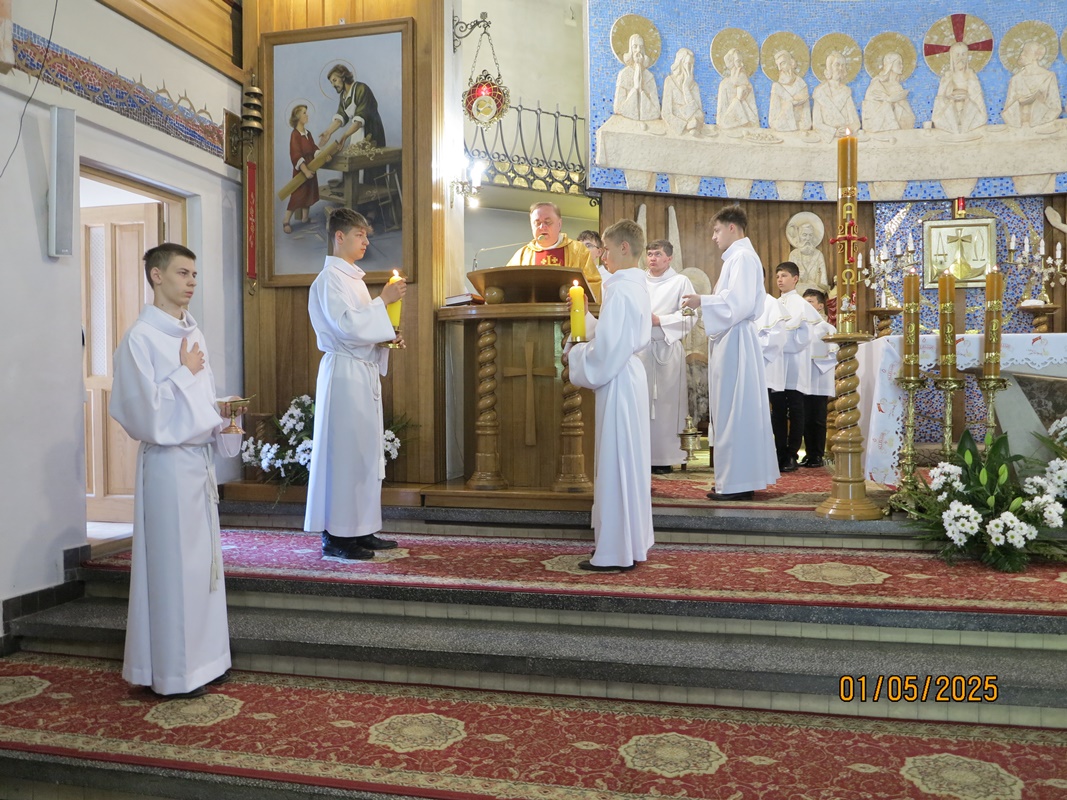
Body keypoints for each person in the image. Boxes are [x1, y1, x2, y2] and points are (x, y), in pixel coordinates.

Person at [109, 243, 243, 699]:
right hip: (167, 467)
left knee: (203, 569)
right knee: (173, 570)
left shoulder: (192, 331)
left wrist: (222, 415)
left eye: (194, 275)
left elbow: (197, 402)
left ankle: (208, 660)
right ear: (156, 275)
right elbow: (140, 413)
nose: (191, 282)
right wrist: (185, 374)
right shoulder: (140, 339)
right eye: (183, 273)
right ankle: (174, 672)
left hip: (196, 464)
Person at [304, 208, 407, 561]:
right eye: (359, 235)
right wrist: (384, 302)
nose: (366, 241)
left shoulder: (355, 280)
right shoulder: (329, 280)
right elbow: (346, 325)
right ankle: (336, 536)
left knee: (363, 454)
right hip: (344, 374)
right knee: (344, 454)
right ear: (339, 236)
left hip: (361, 373)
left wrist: (385, 339)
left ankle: (361, 529)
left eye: (366, 235)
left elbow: (363, 329)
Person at [567, 219, 653, 571]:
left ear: (624, 248)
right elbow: (614, 335)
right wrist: (586, 321)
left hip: (619, 379)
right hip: (629, 376)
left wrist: (576, 354)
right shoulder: (634, 286)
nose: (602, 255)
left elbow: (607, 352)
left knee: (617, 462)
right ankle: (629, 544)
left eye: (606, 248)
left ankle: (614, 552)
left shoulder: (621, 289)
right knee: (626, 461)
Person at [682, 207, 779, 500]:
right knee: (730, 410)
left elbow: (738, 304)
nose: (714, 237)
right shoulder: (737, 258)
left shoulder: (743, 258)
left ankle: (737, 482)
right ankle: (733, 479)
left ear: (732, 228)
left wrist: (702, 300)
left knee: (736, 411)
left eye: (717, 230)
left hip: (736, 339)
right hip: (731, 338)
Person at [639, 239, 695, 473]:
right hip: (641, 351)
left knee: (666, 407)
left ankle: (665, 458)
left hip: (667, 350)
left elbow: (690, 316)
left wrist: (660, 320)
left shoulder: (680, 282)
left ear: (669, 258)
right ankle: (641, 456)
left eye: (658, 254)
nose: (652, 258)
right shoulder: (638, 281)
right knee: (641, 404)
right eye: (650, 254)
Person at [769, 262, 821, 473]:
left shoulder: (802, 305)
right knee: (778, 410)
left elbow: (805, 337)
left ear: (795, 278)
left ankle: (792, 453)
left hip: (794, 364)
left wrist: (782, 343)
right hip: (777, 365)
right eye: (777, 276)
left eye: (784, 275)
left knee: (796, 409)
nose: (780, 280)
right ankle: (779, 451)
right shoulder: (773, 304)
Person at [508, 202, 602, 302]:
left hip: (568, 311)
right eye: (537, 223)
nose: (542, 227)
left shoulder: (578, 250)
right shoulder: (522, 255)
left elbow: (593, 284)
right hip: (532, 311)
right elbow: (508, 286)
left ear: (559, 224)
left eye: (547, 222)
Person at [801, 289, 838, 468]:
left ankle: (817, 454)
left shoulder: (827, 328)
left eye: (810, 302)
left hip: (819, 377)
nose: (806, 305)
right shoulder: (801, 326)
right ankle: (808, 453)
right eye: (804, 302)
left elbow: (833, 352)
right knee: (805, 418)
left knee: (817, 417)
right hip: (804, 378)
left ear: (820, 306)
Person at [318, 64, 387, 149]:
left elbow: (359, 120)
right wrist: (328, 132)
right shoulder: (343, 96)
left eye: (334, 80)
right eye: (331, 82)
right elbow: (340, 118)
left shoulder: (361, 88)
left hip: (371, 134)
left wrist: (345, 136)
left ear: (343, 77)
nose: (333, 85)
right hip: (356, 133)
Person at [1002, 40, 1062, 129]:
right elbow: (1007, 109)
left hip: (1043, 125)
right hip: (1019, 126)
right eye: (1022, 51)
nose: (1021, 54)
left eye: (1026, 52)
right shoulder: (1015, 79)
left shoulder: (1048, 76)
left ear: (1036, 55)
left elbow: (1055, 107)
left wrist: (1040, 106)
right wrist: (1018, 102)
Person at [931, 42, 986, 134]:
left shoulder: (971, 74)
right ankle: (955, 130)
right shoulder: (948, 76)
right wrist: (950, 97)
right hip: (951, 111)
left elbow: (978, 98)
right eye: (957, 55)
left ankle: (964, 130)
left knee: (973, 106)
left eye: (963, 54)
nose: (961, 58)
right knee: (946, 109)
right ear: (952, 57)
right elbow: (940, 98)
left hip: (969, 111)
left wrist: (968, 96)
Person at [283, 104, 320, 235]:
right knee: (298, 194)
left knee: (309, 191)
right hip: (302, 169)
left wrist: (319, 154)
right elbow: (296, 154)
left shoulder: (308, 133)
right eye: (304, 113)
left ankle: (305, 218)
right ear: (298, 117)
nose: (306, 115)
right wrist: (305, 171)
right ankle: (286, 221)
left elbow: (313, 147)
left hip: (311, 166)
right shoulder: (295, 135)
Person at [861, 51, 916, 133]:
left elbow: (910, 118)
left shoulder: (898, 87)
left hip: (899, 133)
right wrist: (889, 101)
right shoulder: (876, 85)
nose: (902, 66)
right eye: (899, 63)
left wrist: (892, 100)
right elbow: (870, 117)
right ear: (890, 65)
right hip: (879, 132)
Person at [811, 50, 860, 140]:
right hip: (827, 137)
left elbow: (855, 122)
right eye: (837, 65)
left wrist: (848, 130)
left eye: (843, 65)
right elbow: (817, 123)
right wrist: (834, 132)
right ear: (829, 67)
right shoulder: (819, 92)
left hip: (845, 138)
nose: (840, 68)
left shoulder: (846, 91)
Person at [614, 33, 660, 122]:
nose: (638, 50)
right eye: (635, 47)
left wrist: (641, 91)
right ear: (630, 49)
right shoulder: (624, 74)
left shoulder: (649, 76)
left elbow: (656, 111)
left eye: (641, 47)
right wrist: (635, 88)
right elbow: (618, 108)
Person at [661, 48, 704, 136]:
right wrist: (684, 125)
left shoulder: (694, 86)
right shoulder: (670, 81)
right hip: (677, 129)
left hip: (693, 130)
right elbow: (666, 113)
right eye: (687, 64)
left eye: (692, 65)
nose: (690, 68)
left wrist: (686, 89)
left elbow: (700, 116)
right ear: (680, 63)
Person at [786, 212, 829, 295]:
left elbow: (824, 283)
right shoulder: (794, 255)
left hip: (815, 295)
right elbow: (790, 281)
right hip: (797, 294)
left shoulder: (818, 255)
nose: (808, 238)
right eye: (804, 235)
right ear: (799, 236)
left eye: (810, 235)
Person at [716, 47, 759, 130]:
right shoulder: (724, 85)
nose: (742, 65)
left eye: (742, 61)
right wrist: (738, 99)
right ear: (731, 63)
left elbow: (755, 122)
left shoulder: (748, 86)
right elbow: (721, 122)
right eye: (738, 61)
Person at [768, 49, 811, 132]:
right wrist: (790, 105)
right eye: (778, 65)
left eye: (782, 63)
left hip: (800, 131)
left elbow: (806, 118)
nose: (780, 68)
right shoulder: (776, 87)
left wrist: (802, 126)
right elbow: (772, 120)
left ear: (792, 62)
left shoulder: (801, 84)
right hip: (780, 128)